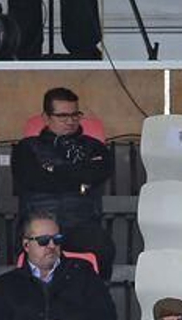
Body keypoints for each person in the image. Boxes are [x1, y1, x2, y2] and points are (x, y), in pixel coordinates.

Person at [11, 88, 114, 277]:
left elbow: (99, 173)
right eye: (63, 116)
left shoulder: (95, 148)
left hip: (81, 224)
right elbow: (33, 180)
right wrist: (78, 176)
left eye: (75, 115)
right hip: (39, 225)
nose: (70, 121)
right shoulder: (26, 149)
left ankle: (97, 293)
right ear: (46, 117)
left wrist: (53, 170)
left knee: (104, 247)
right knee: (32, 247)